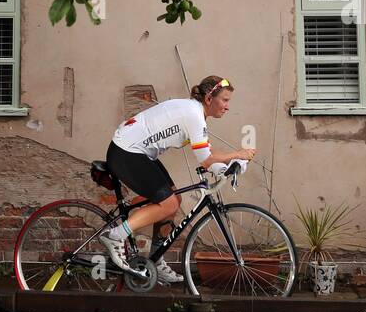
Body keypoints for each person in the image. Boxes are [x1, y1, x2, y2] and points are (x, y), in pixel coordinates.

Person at [99, 75, 256, 283]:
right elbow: (207, 160)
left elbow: (206, 152)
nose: (227, 106)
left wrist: (225, 168)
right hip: (127, 152)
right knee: (169, 203)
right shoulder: (194, 115)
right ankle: (115, 235)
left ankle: (155, 258)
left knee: (174, 201)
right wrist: (237, 155)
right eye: (225, 100)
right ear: (209, 99)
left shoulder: (194, 112)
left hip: (138, 152)